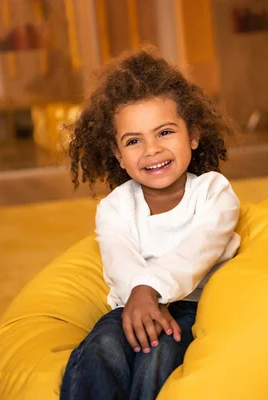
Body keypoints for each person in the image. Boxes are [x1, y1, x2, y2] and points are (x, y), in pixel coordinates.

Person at [60, 47, 242, 400]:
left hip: (195, 308)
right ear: (118, 155)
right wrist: (139, 297)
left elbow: (198, 249)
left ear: (193, 135)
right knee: (98, 350)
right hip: (129, 307)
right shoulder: (114, 207)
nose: (152, 150)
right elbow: (119, 259)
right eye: (133, 141)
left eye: (164, 133)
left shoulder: (213, 192)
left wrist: (152, 290)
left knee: (159, 352)